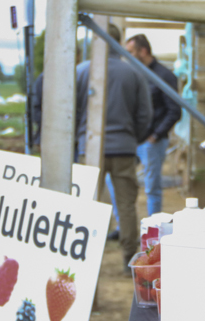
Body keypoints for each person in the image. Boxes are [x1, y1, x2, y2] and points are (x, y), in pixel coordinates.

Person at [75, 24, 152, 266]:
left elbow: (71, 110)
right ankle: (129, 257)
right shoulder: (133, 73)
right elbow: (145, 114)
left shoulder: (81, 71)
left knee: (90, 202)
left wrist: (79, 137)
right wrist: (133, 138)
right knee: (126, 204)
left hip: (90, 149)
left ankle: (86, 257)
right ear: (118, 43)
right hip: (123, 148)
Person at [125, 33, 179, 216]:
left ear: (143, 51)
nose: (127, 56)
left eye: (131, 52)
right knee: (120, 184)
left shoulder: (164, 75)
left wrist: (155, 136)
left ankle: (153, 226)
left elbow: (174, 111)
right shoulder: (133, 73)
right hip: (131, 139)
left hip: (151, 142)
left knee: (151, 188)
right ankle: (123, 226)